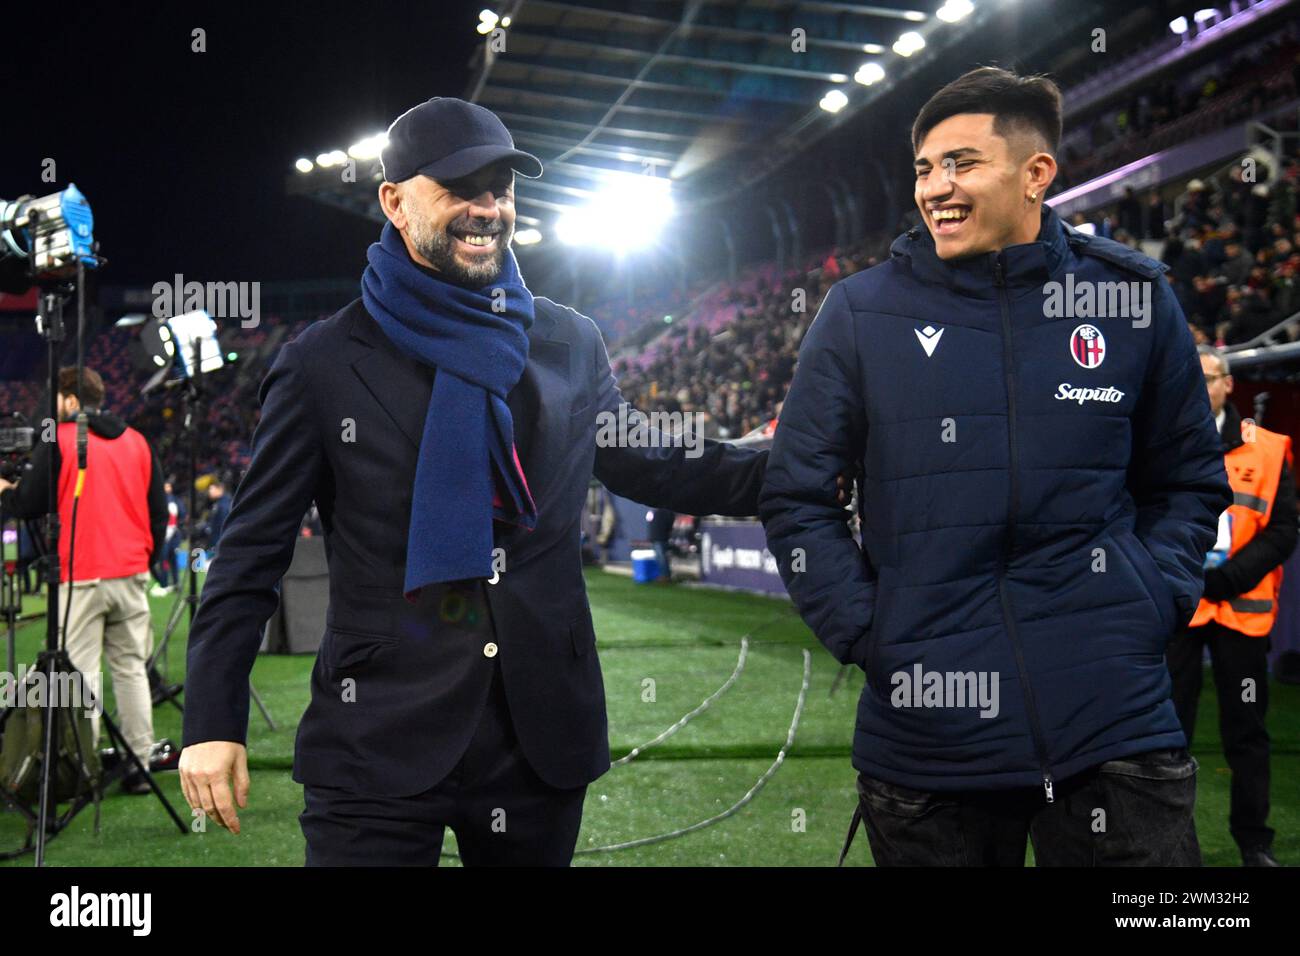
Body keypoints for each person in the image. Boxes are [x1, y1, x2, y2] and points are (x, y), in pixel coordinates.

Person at [178, 97, 767, 865]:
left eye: (500, 188)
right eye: (460, 188)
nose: (486, 208)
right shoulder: (322, 364)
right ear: (393, 201)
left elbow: (652, 458)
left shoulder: (567, 340)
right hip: (376, 739)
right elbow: (250, 553)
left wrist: (806, 465)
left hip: (538, 736)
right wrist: (211, 720)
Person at [760, 67, 1231, 867]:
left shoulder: (1132, 299)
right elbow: (798, 494)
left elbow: (1187, 480)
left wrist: (1146, 601)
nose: (935, 188)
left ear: (1036, 173)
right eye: (923, 169)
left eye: (962, 164)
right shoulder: (860, 312)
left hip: (1114, 723)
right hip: (927, 736)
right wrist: (874, 634)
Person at [0, 367, 169, 794]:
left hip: (83, 575)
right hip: (131, 573)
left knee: (80, 677)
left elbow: (29, 502)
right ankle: (140, 763)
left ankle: (85, 769)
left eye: (56, 399)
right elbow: (157, 513)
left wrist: (4, 488)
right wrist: (144, 560)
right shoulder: (137, 441)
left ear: (71, 401)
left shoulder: (60, 440)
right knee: (131, 670)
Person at [1166, 346, 1296, 867]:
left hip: (1240, 612)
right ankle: (1169, 844)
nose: (1198, 386)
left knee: (1246, 732)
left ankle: (1254, 843)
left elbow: (1285, 530)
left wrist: (1227, 579)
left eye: (1208, 377)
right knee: (1168, 733)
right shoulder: (1163, 444)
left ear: (1228, 386)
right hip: (1182, 610)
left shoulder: (1267, 448)